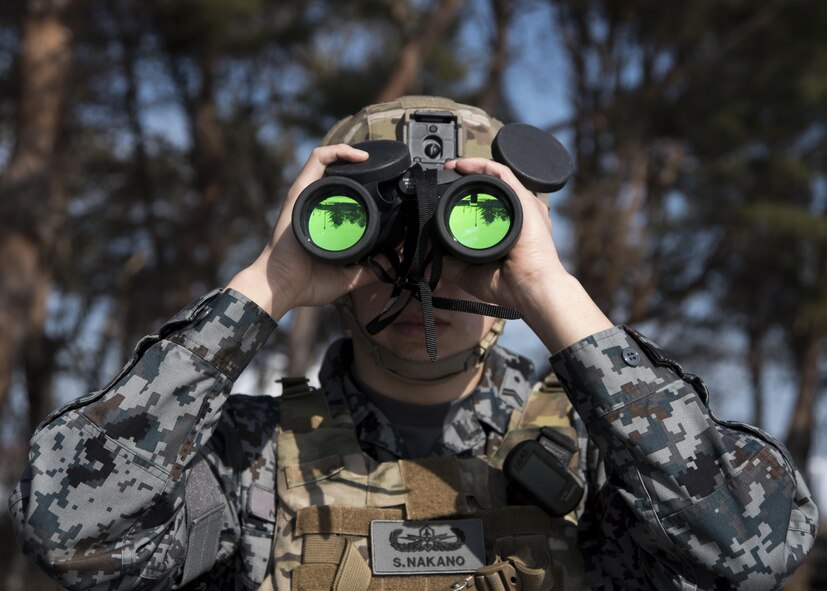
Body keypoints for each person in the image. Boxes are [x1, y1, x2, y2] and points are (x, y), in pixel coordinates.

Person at [9, 96, 818, 591]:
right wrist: (269, 280)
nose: (420, 272)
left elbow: (750, 546)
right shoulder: (245, 460)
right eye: (377, 237)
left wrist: (552, 294)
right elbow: (73, 530)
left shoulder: (601, 462)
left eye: (468, 235)